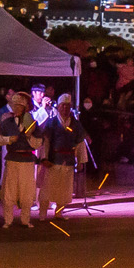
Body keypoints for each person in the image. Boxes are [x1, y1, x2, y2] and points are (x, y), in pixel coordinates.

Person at [37, 93, 88, 221]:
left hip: (68, 160)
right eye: (63, 105)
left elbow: (80, 143)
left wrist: (81, 161)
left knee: (65, 190)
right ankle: (42, 214)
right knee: (47, 188)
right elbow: (46, 142)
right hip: (54, 160)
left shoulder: (76, 124)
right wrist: (44, 158)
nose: (65, 108)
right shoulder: (52, 123)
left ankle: (59, 213)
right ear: (59, 107)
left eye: (68, 106)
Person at [0, 87, 40, 228]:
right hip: (12, 159)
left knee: (27, 191)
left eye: (20, 106)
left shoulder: (32, 123)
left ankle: (25, 220)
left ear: (25, 107)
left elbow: (39, 143)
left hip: (27, 160)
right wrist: (8, 139)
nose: (17, 108)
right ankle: (8, 220)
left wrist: (29, 136)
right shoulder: (7, 122)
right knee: (9, 191)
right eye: (15, 106)